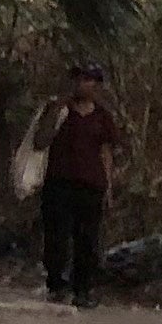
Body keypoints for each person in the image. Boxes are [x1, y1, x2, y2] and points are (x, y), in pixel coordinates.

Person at [27, 60, 120, 308]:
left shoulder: (102, 117)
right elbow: (40, 141)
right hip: (59, 183)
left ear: (97, 85)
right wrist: (55, 113)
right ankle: (56, 284)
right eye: (78, 79)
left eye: (87, 79)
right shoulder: (60, 110)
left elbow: (106, 153)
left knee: (86, 240)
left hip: (90, 185)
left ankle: (82, 290)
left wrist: (109, 188)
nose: (82, 84)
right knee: (57, 236)